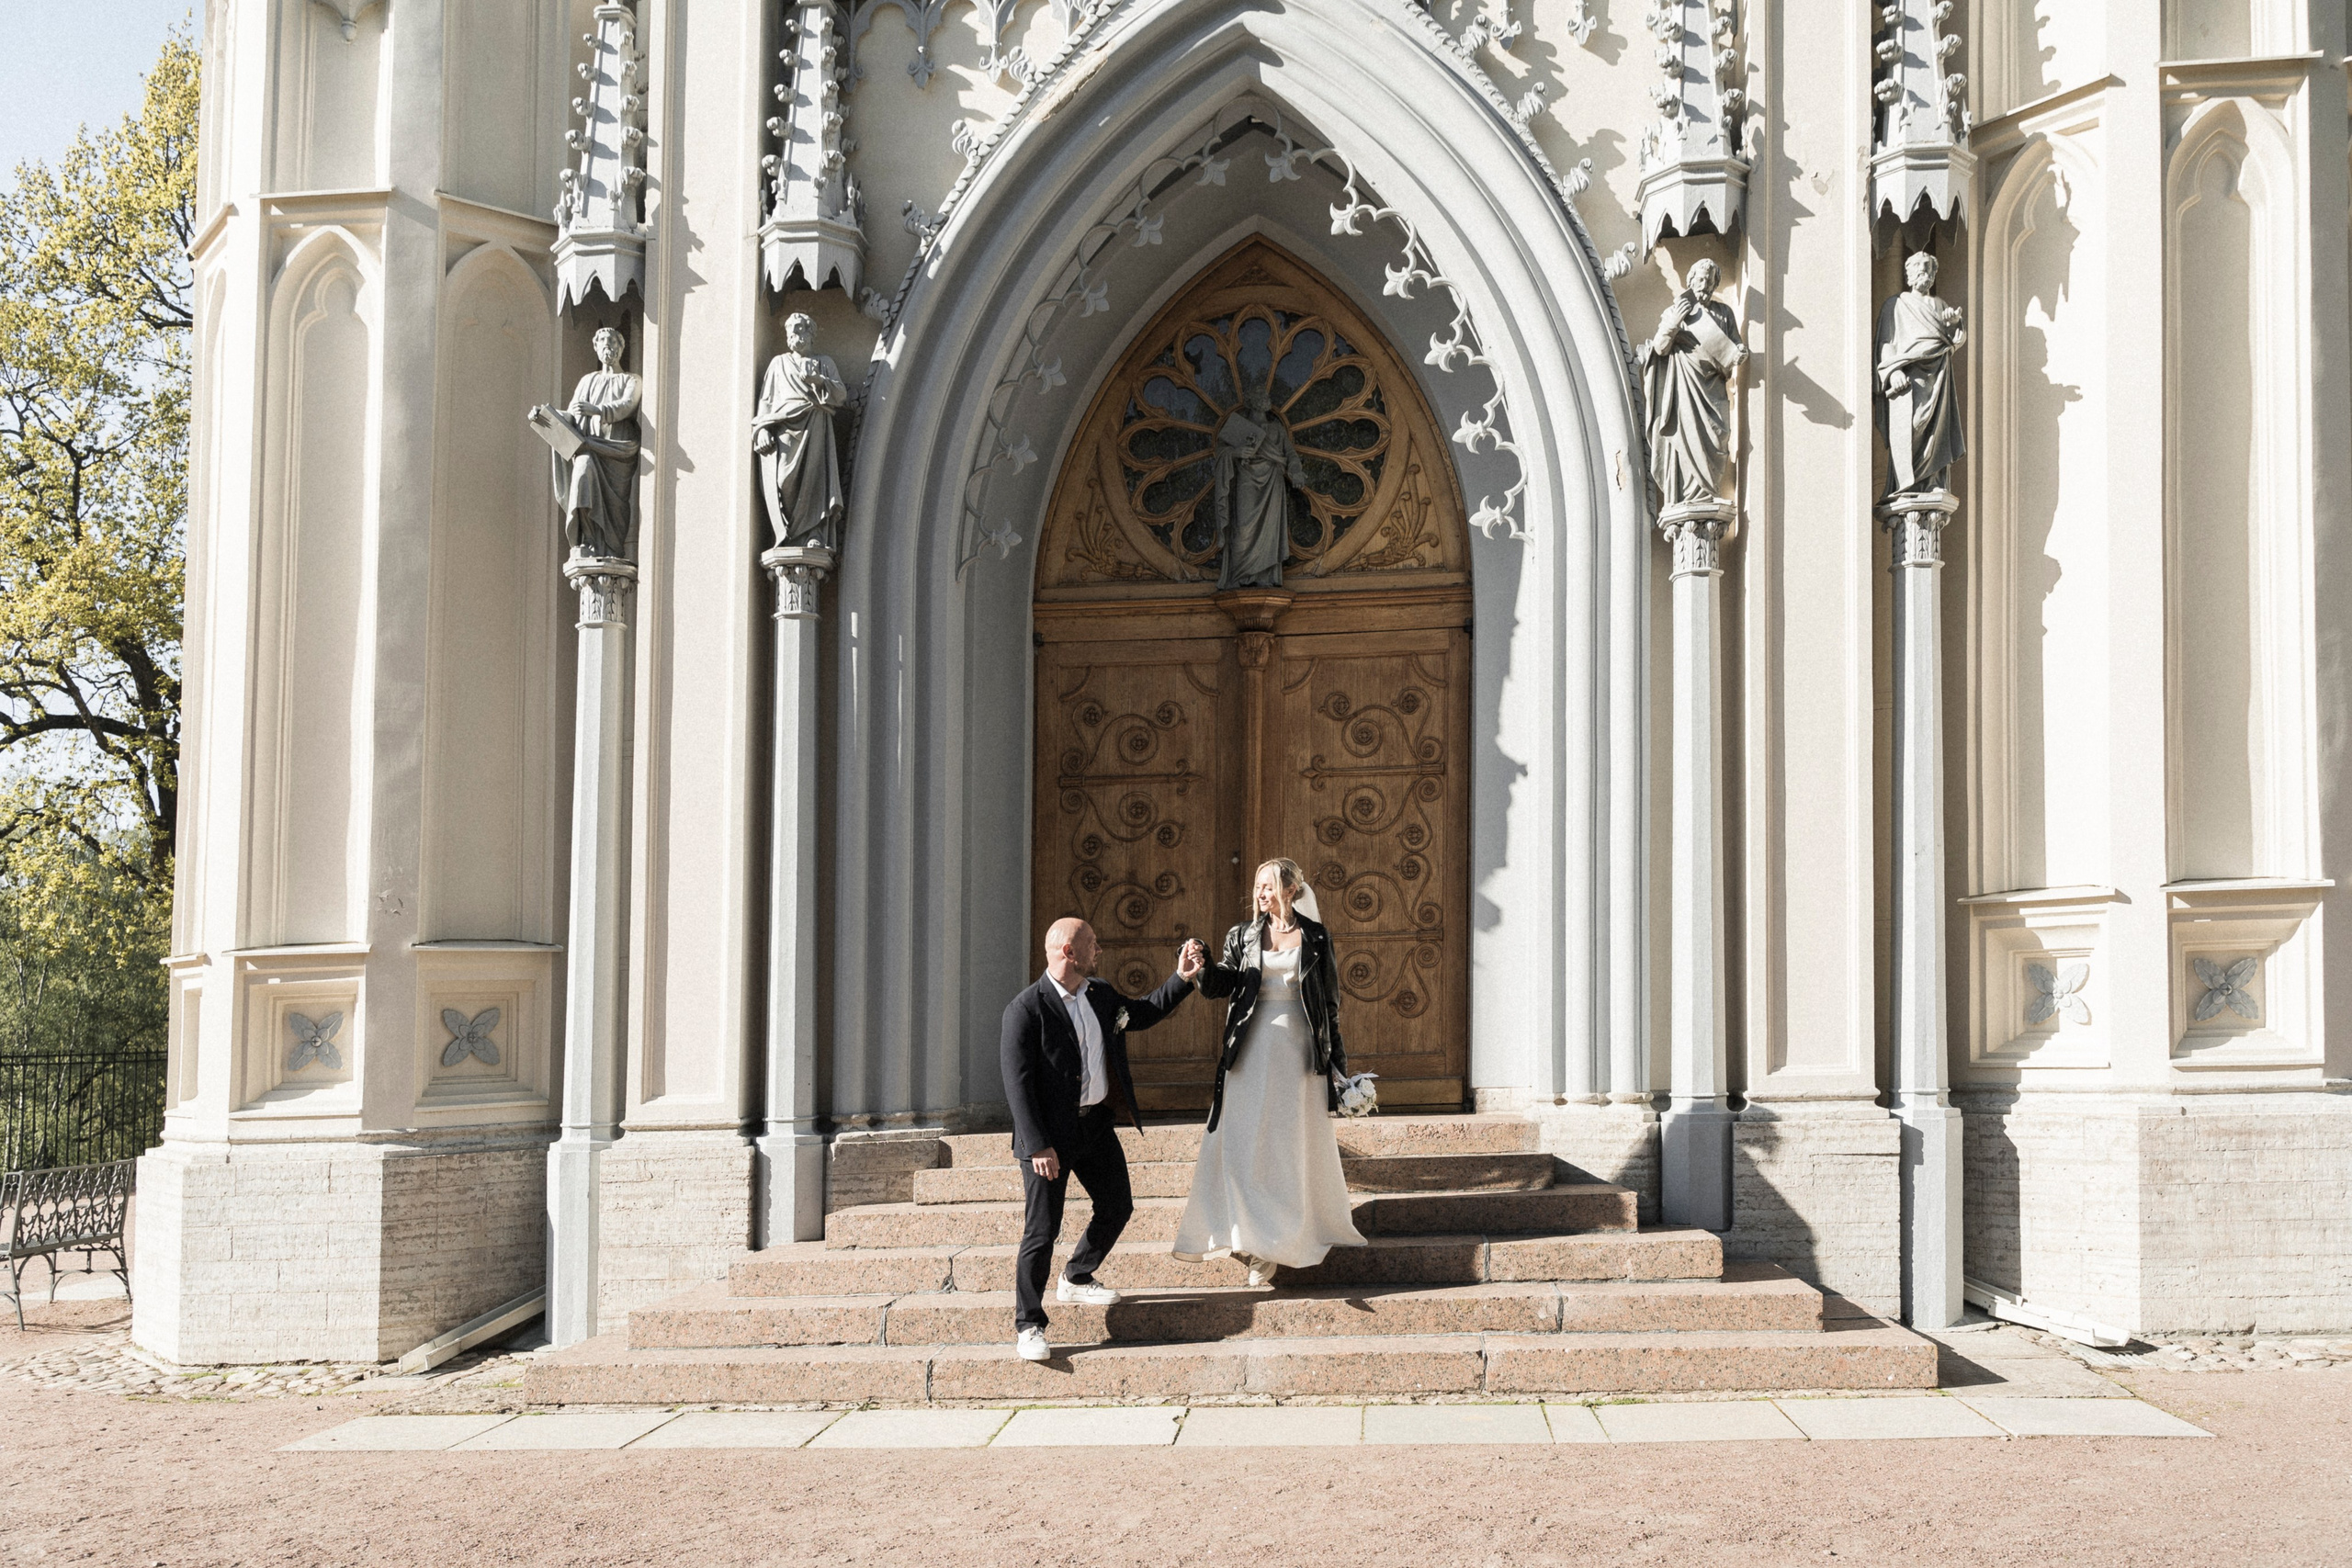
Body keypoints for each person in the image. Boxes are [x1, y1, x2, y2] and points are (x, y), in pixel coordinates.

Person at [1001, 918, 1205, 1362]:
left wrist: (1182, 979)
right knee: (1042, 1230)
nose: (1101, 949)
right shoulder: (1025, 1009)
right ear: (1069, 952)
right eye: (1092, 943)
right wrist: (1038, 1145)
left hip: (1094, 1125)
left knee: (1117, 1205)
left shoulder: (1100, 994)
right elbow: (1017, 1084)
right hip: (1048, 1140)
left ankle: (1076, 1277)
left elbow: (1143, 1013)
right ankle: (1030, 1324)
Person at [1172, 858, 1367, 1286]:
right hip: (1250, 1047)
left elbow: (1329, 1006)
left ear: (1291, 891)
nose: (1261, 894)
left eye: (1269, 887)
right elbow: (1222, 982)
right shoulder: (1242, 936)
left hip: (1299, 1054)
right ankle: (1251, 1236)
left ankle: (1284, 1238)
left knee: (1286, 1143)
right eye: (1257, 887)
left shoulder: (1315, 937)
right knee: (1244, 1139)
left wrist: (1339, 1070)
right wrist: (1201, 966)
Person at [1635, 257, 1748, 509]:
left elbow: (1736, 343)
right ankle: (1690, 496)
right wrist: (1674, 323)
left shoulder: (1724, 313)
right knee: (1687, 439)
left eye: (1710, 281)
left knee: (1717, 438)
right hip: (1686, 390)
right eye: (1700, 279)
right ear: (1690, 281)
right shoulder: (1677, 312)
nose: (1705, 285)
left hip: (1714, 389)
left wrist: (1740, 352)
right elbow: (1661, 348)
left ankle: (1708, 490)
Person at [526, 325, 640, 560]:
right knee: (581, 474)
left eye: (612, 342)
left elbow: (627, 405)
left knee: (615, 509)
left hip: (616, 451)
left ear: (621, 348)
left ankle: (611, 547)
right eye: (603, 342)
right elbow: (572, 416)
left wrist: (597, 410)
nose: (607, 346)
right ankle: (587, 539)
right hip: (588, 447)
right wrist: (545, 416)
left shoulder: (631, 379)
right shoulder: (587, 381)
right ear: (596, 348)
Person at [752, 311, 848, 551]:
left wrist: (818, 381)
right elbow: (766, 401)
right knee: (784, 480)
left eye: (799, 329)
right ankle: (789, 534)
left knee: (815, 480)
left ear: (811, 334)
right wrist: (761, 430)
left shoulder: (824, 363)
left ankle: (814, 532)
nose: (794, 335)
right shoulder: (778, 363)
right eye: (790, 331)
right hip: (784, 430)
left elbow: (841, 394)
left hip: (815, 426)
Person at [1874, 251, 1967, 498]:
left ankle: (1932, 481)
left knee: (1937, 432)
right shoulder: (1895, 304)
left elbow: (1953, 340)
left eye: (1929, 270)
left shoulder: (1940, 305)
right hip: (1910, 379)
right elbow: (1886, 342)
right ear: (1909, 273)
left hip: (1938, 376)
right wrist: (1893, 371)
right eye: (1920, 269)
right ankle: (1907, 483)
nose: (1924, 274)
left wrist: (1954, 323)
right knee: (1912, 426)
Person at [1213, 383, 1309, 590]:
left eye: (1265, 397)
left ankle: (1265, 575)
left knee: (1270, 530)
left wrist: (1296, 471)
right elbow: (1220, 452)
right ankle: (1239, 576)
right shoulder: (1238, 427)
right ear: (1250, 402)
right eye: (1259, 396)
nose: (1263, 399)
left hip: (1272, 483)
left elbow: (1291, 455)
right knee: (1243, 529)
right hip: (1246, 481)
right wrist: (1237, 452)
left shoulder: (1277, 429)